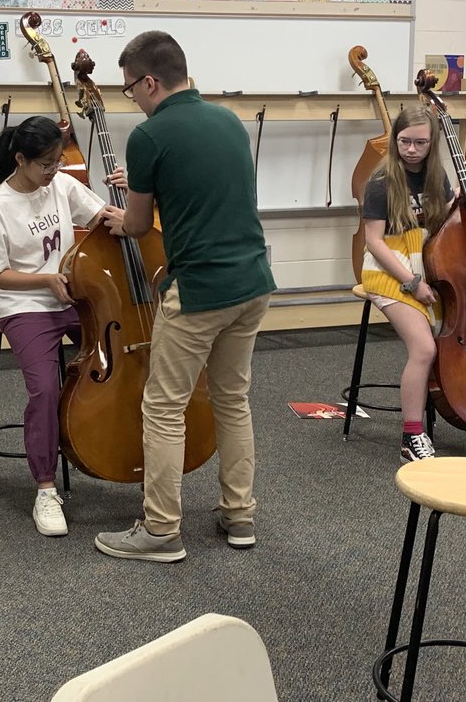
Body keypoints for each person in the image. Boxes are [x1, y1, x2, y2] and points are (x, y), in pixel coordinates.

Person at [93, 31, 275, 563]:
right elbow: (212, 201)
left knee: (164, 407)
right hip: (253, 282)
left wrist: (122, 216)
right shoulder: (228, 122)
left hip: (200, 291)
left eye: (131, 90)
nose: (133, 99)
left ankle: (160, 531)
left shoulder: (149, 136)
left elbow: (138, 221)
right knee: (232, 401)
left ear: (150, 81)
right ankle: (240, 516)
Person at [0, 116, 124, 537]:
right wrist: (45, 279)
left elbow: (101, 217)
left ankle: (117, 450)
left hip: (71, 296)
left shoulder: (60, 184)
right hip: (25, 303)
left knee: (123, 361)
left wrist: (127, 203)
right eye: (45, 164)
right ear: (20, 159)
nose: (53, 170)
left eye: (57, 161)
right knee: (44, 390)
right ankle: (45, 488)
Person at [360, 107, 453, 462]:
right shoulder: (381, 181)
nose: (411, 149)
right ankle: (411, 436)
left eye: (420, 143)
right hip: (391, 271)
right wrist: (412, 282)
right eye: (404, 142)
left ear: (432, 145)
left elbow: (449, 225)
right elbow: (374, 242)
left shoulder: (437, 176)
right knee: (425, 349)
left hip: (428, 264)